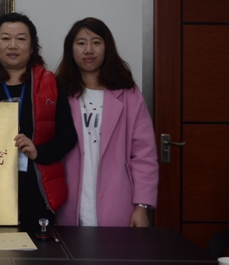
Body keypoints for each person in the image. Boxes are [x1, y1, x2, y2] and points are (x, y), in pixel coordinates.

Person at [0, 12, 77, 226]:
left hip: (37, 190)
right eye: (5, 38)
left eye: (21, 39)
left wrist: (38, 151)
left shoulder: (50, 84)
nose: (13, 45)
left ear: (32, 47)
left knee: (37, 246)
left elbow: (68, 136)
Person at [55, 17, 158, 227]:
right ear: (71, 50)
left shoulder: (128, 93)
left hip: (118, 204)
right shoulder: (59, 92)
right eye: (81, 43)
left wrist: (142, 206)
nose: (89, 50)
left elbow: (144, 153)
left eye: (96, 42)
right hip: (68, 203)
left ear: (107, 48)